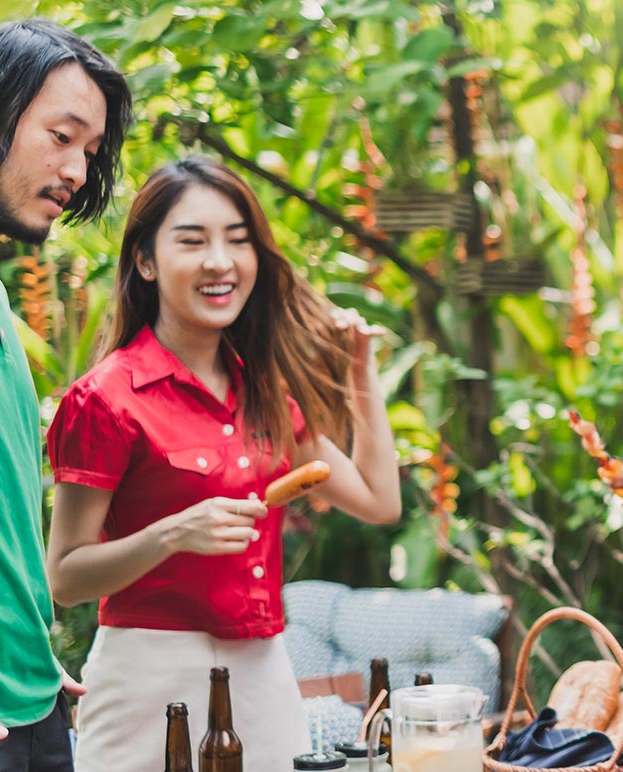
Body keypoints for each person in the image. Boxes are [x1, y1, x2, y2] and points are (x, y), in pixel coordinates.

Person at [43, 156, 402, 771]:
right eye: (193, 240)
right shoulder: (104, 399)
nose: (220, 261)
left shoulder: (263, 392)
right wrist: (173, 534)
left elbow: (378, 500)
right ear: (145, 261)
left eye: (238, 240)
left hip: (262, 670)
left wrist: (361, 372)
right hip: (148, 678)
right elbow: (65, 577)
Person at [0, 19, 131, 772]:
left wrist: (23, 650)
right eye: (61, 135)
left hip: (27, 698)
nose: (78, 171)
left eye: (90, 152)